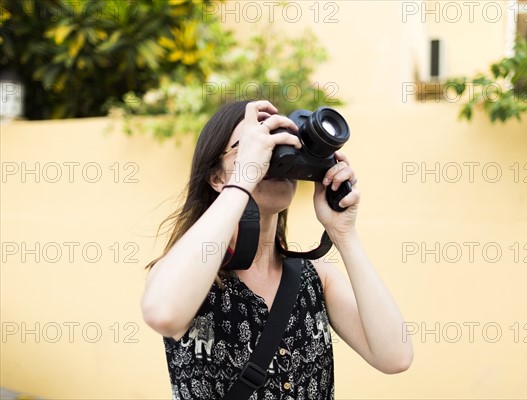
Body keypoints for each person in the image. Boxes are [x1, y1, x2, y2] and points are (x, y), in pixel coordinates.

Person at [141, 100, 413, 399]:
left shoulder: (317, 280)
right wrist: (244, 179)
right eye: (255, 145)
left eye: (280, 143)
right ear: (217, 178)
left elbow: (395, 357)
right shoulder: (188, 276)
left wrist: (344, 234)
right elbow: (162, 313)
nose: (269, 155)